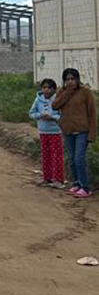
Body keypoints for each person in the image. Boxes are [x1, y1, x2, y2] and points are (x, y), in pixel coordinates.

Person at [53, 68, 95, 199]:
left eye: (73, 79)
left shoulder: (85, 92)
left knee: (79, 159)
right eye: (67, 79)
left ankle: (85, 187)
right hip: (68, 130)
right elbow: (55, 106)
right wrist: (68, 91)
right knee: (71, 159)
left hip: (82, 131)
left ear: (77, 79)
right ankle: (76, 183)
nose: (70, 81)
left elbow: (92, 113)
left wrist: (92, 134)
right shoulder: (62, 92)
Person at [29, 79, 64, 188]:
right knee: (45, 155)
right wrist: (39, 115)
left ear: (54, 89)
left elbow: (62, 116)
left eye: (49, 88)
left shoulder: (58, 100)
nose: (46, 90)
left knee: (56, 156)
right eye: (44, 87)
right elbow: (31, 113)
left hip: (55, 132)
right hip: (43, 131)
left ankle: (58, 179)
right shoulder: (38, 100)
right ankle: (47, 178)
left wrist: (52, 117)